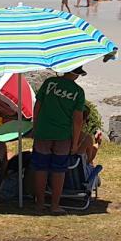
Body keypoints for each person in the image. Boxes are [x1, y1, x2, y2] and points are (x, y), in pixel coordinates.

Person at [32, 66, 86, 214]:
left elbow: (37, 106)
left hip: (43, 131)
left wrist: (35, 126)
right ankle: (55, 205)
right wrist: (75, 143)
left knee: (40, 168)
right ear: (76, 75)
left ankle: (39, 204)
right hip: (63, 135)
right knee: (59, 169)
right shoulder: (78, 92)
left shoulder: (50, 83)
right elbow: (78, 120)